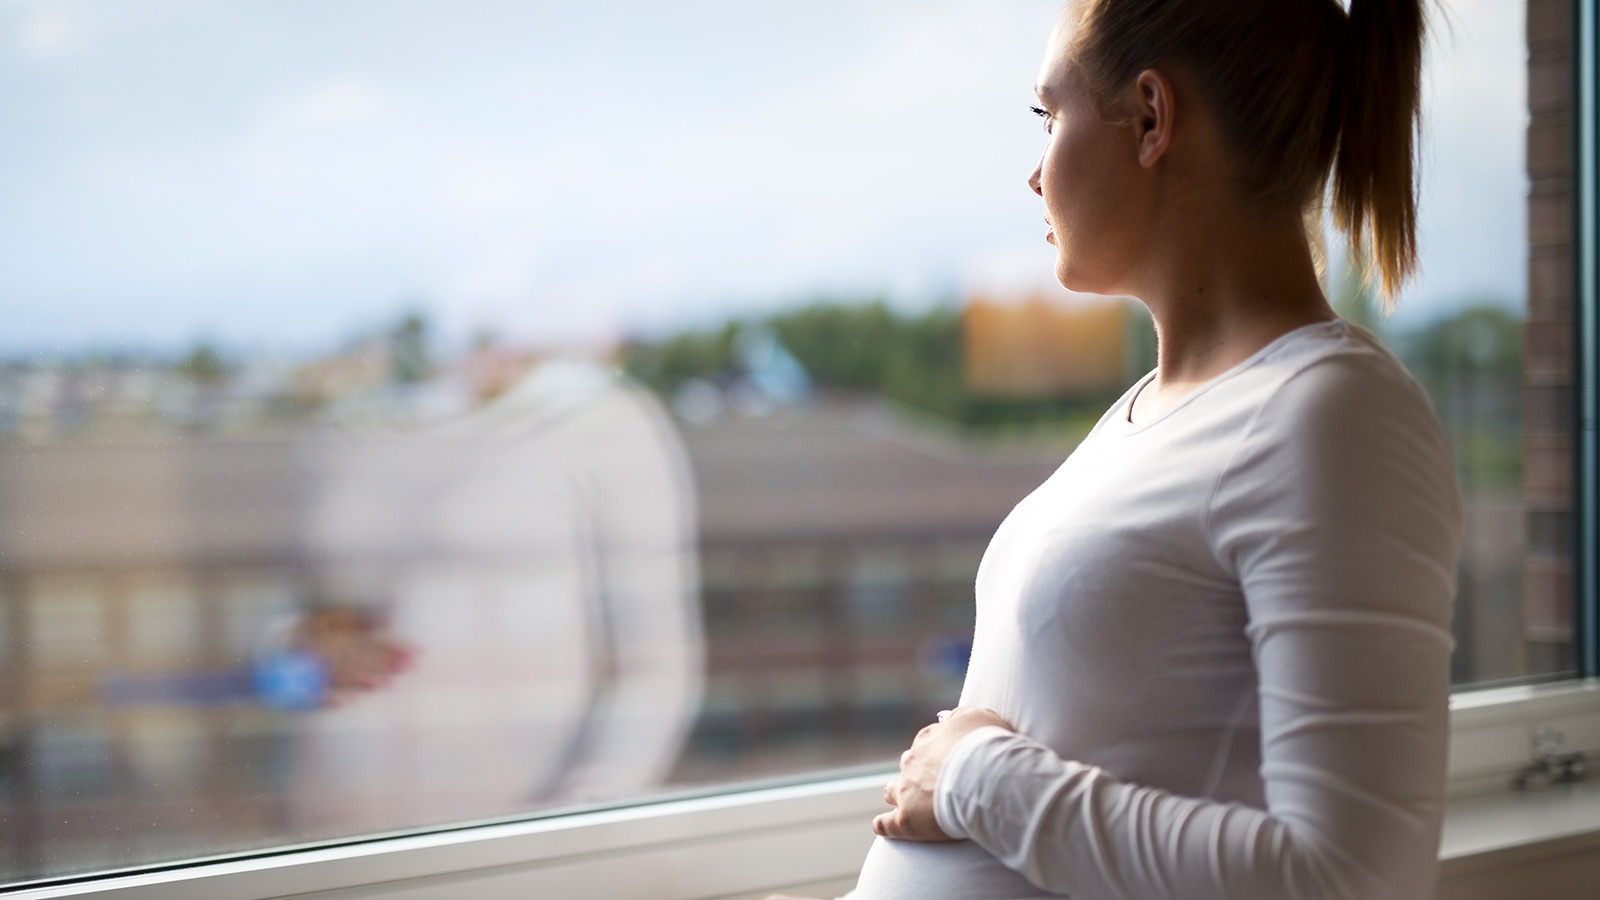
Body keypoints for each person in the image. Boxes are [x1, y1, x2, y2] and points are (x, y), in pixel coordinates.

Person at [770, 0, 1462, 898]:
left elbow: (1352, 877)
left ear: (1148, 118)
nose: (1032, 173)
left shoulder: (1336, 417)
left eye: (1047, 116)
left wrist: (978, 779)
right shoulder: (1152, 412)